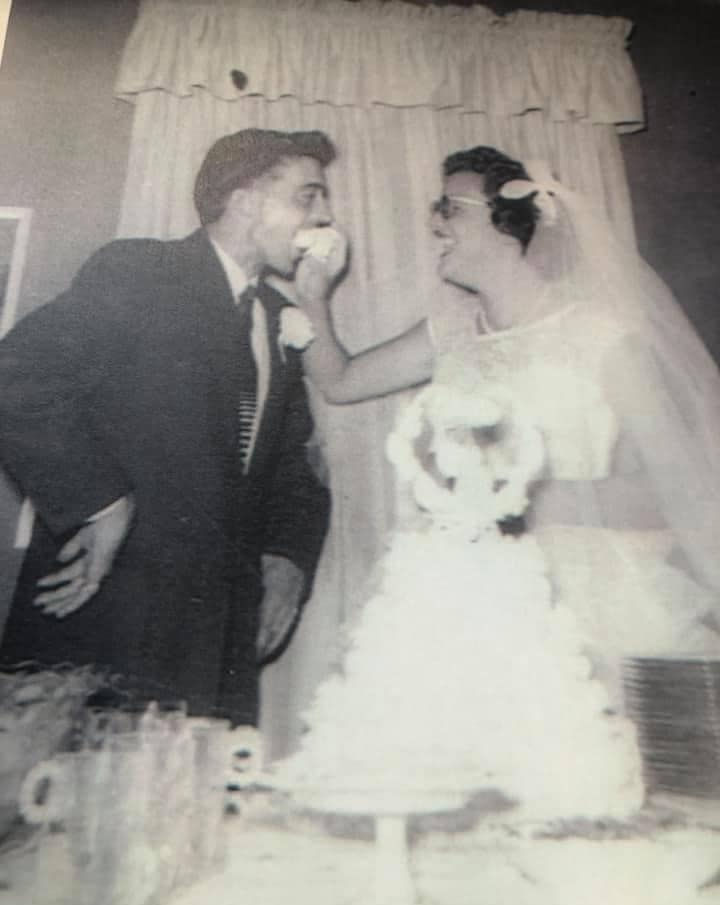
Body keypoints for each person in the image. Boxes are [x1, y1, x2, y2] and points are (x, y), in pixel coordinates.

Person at [294, 145, 720, 710]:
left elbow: (677, 491)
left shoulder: (602, 337)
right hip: (465, 586)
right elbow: (340, 381)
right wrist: (311, 298)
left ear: (509, 222)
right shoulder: (450, 328)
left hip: (584, 594)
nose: (433, 222)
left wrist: (519, 502)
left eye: (449, 208)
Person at [0, 128, 333, 726]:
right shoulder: (140, 271)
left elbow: (294, 469)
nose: (325, 218)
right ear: (246, 199)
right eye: (308, 196)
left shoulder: (283, 319)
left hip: (217, 650)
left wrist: (287, 558)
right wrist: (100, 502)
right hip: (108, 625)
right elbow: (16, 379)